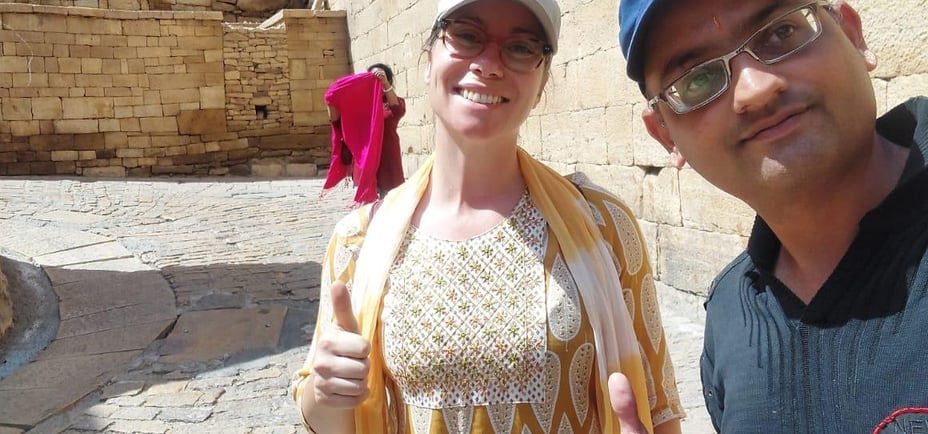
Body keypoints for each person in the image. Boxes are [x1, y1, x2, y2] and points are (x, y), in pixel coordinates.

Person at [291, 0, 685, 432]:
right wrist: (326, 391)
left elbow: (658, 408)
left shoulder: (603, 225)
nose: (489, 64)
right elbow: (325, 418)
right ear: (428, 61)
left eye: (521, 47)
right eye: (466, 35)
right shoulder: (358, 243)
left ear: (541, 85)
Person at [617, 0, 928, 432]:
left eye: (781, 32)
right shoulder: (729, 315)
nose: (755, 89)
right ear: (665, 134)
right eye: (698, 79)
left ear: (852, 35)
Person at [322, 63, 406, 205]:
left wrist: (385, 83)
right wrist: (332, 96)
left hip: (388, 161)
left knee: (391, 205)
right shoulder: (360, 105)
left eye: (380, 77)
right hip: (365, 162)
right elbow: (337, 122)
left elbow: (397, 110)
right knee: (366, 208)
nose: (376, 81)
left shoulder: (391, 103)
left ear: (389, 80)